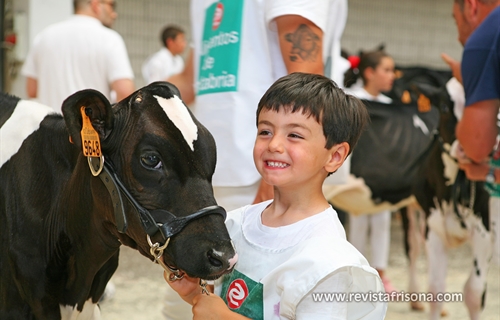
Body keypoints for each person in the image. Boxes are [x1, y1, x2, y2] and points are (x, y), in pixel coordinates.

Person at [166, 72, 387, 319]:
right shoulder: (236, 223)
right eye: (265, 131)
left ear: (334, 156)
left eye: (294, 135)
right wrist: (196, 294)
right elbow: (220, 303)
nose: (274, 145)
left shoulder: (328, 261)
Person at [443, 0, 500, 265]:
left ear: (471, 6)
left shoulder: (486, 40)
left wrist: (469, 85)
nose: (457, 34)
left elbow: (476, 145)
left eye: (456, 21)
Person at [344, 49, 398, 294]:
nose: (392, 75)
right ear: (369, 72)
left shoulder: (390, 106)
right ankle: (355, 275)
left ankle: (381, 276)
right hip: (357, 174)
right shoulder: (352, 99)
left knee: (382, 221)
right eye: (386, 70)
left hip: (384, 175)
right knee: (357, 220)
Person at [21, 0, 135, 111]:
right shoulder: (109, 39)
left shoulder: (44, 36)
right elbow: (125, 94)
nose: (114, 14)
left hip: (50, 127)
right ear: (95, 4)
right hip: (92, 128)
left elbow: (32, 90)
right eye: (112, 5)